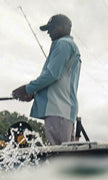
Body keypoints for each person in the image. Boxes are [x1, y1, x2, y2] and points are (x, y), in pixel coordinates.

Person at [12, 14, 81, 145]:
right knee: (65, 154)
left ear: (65, 27)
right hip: (63, 112)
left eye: (52, 27)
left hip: (58, 110)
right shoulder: (69, 46)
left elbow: (52, 74)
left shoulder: (63, 44)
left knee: (58, 157)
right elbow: (59, 79)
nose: (49, 31)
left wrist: (27, 88)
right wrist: (35, 93)